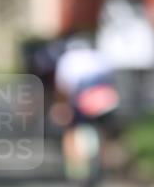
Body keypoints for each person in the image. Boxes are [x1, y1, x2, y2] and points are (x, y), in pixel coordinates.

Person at [51, 37, 119, 166]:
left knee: (71, 129)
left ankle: (74, 163)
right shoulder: (100, 57)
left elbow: (63, 87)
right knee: (103, 130)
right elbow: (110, 80)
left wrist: (62, 106)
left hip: (81, 101)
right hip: (104, 100)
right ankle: (102, 160)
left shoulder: (67, 59)